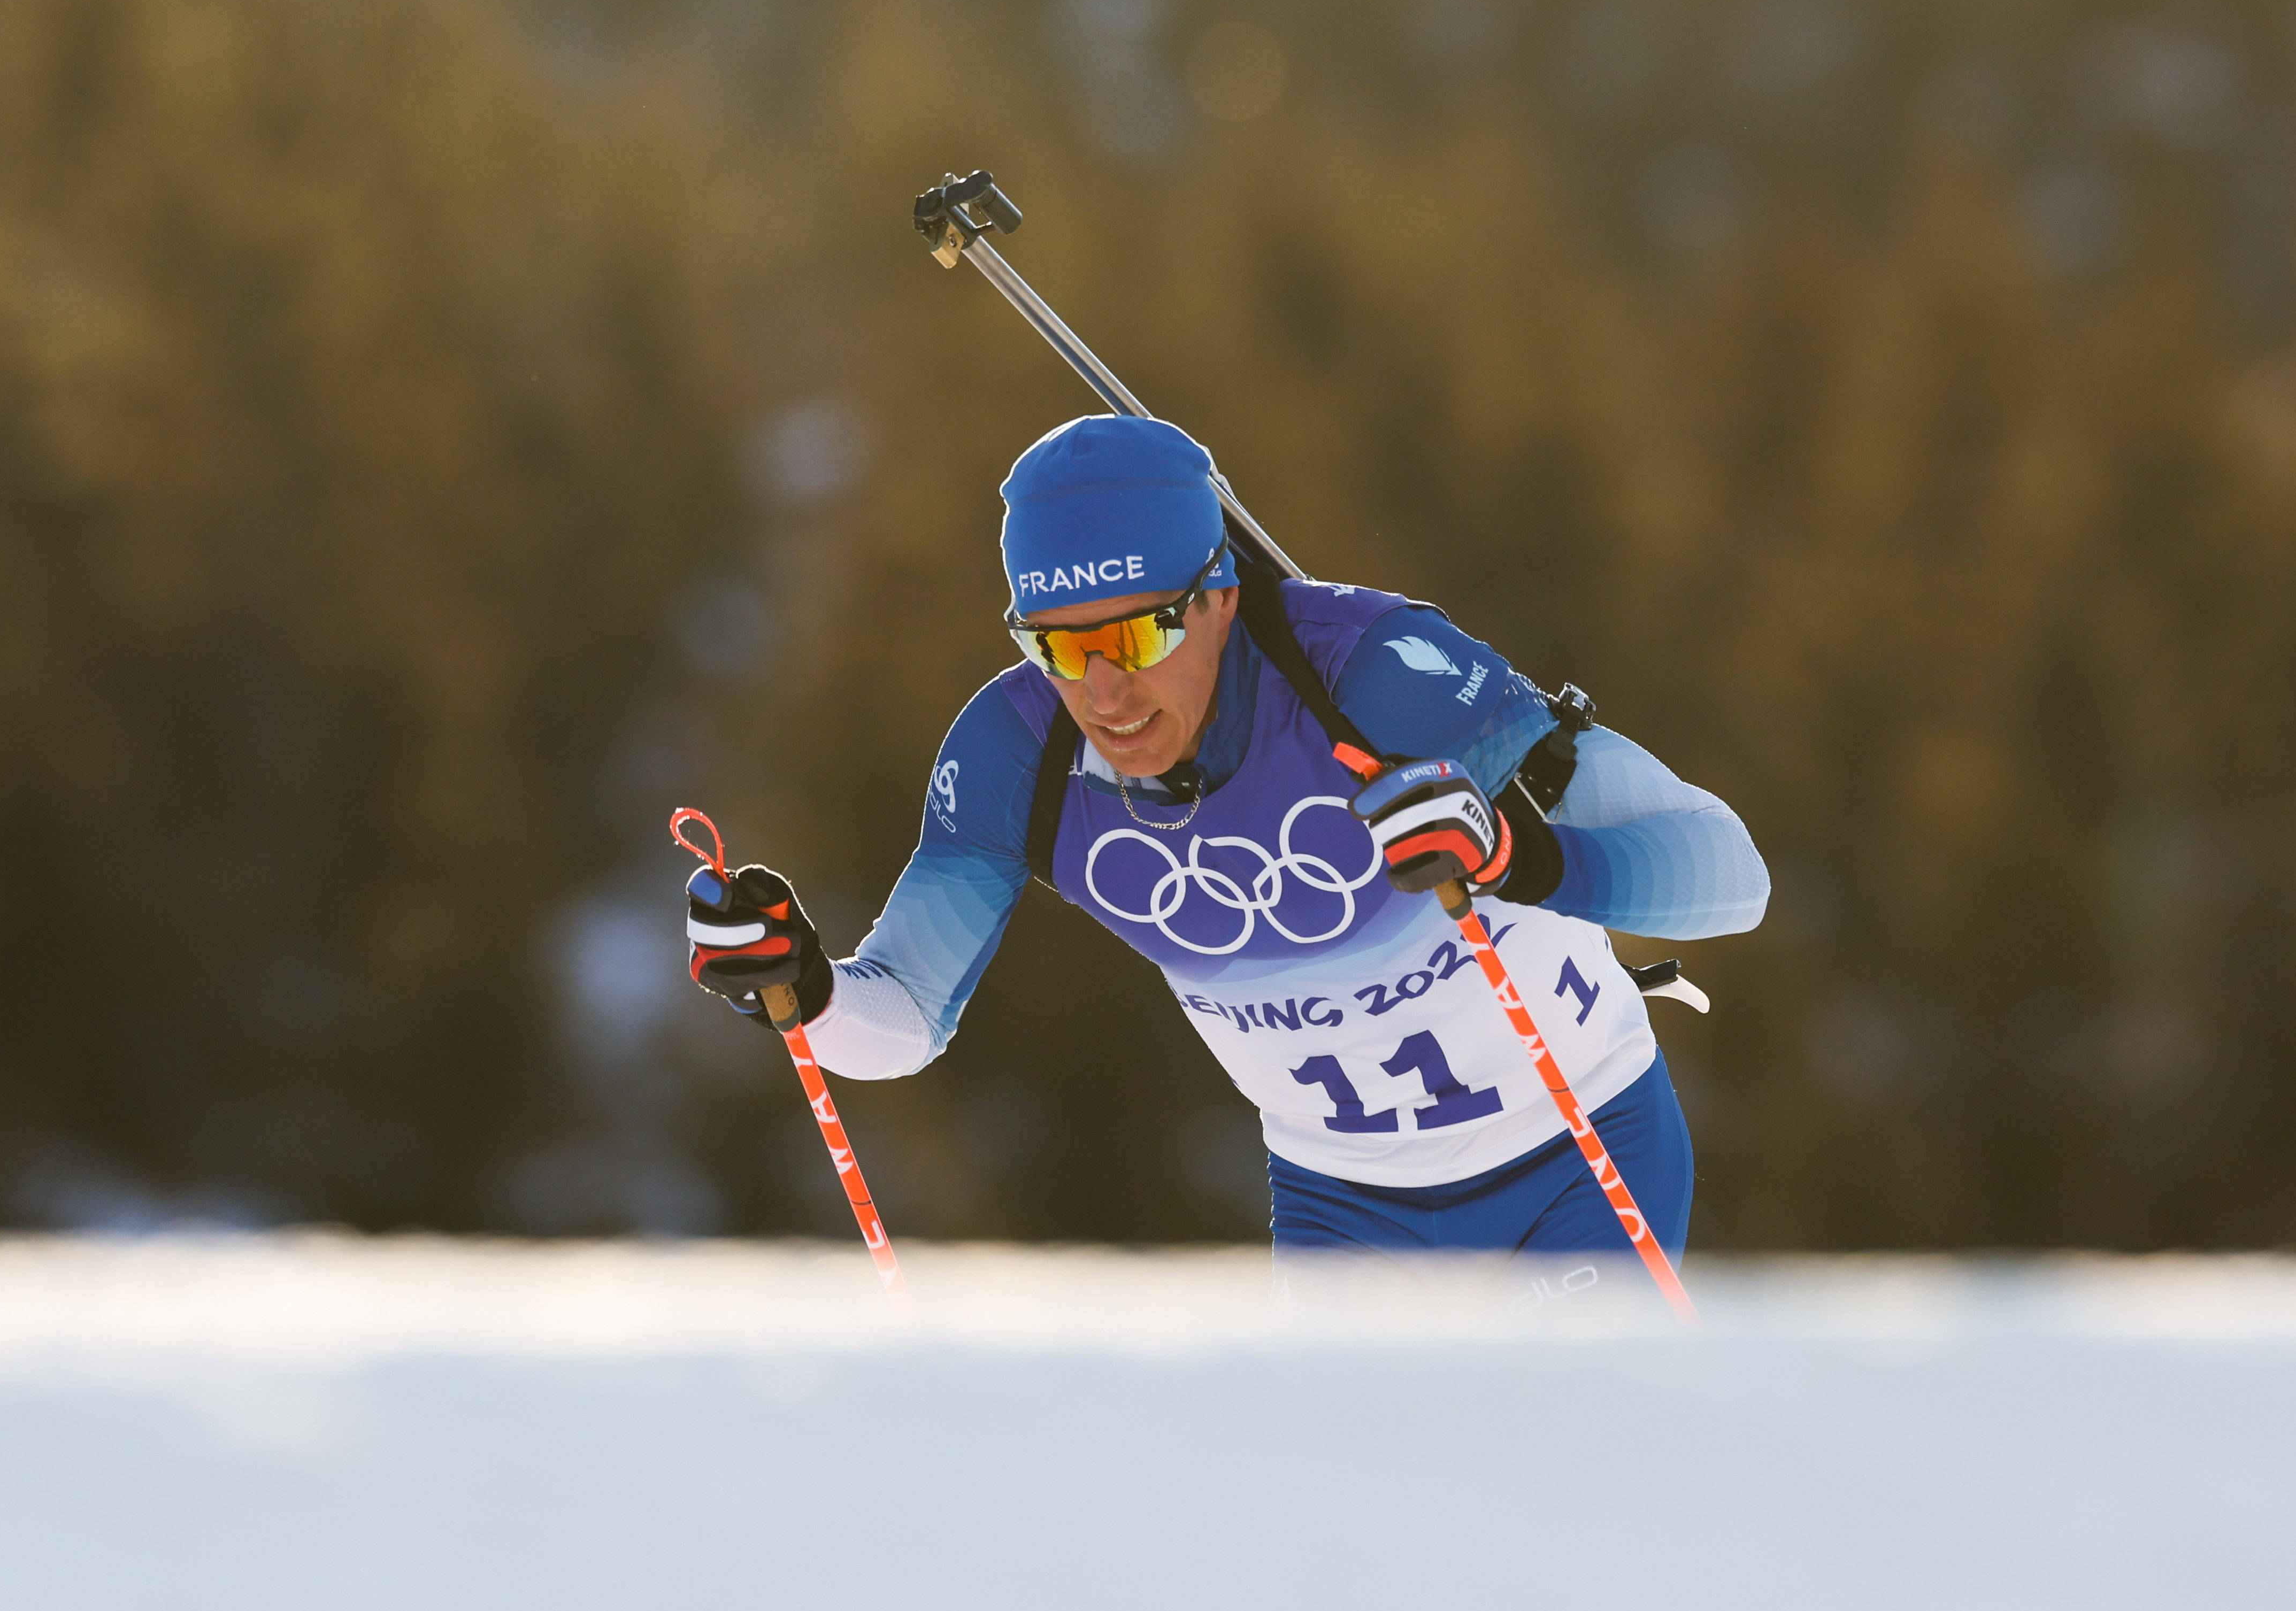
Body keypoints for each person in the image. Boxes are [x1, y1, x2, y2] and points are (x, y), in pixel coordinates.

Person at [684, 414, 1768, 1272]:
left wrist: (1522, 860)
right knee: (1358, 1541)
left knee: (1565, 1498)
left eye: (1137, 633)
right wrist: (800, 990)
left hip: (1572, 1150)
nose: (1102, 690)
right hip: (1341, 1204)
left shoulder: (1376, 674)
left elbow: (1730, 875)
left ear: (1218, 597)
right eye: (1057, 646)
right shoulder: (1019, 753)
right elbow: (906, 1021)